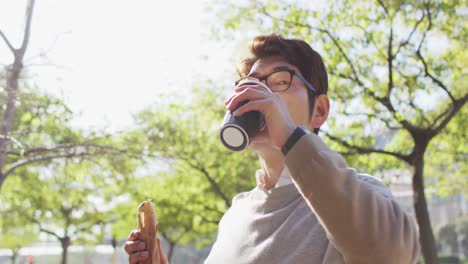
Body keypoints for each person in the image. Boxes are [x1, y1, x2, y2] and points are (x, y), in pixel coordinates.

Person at [124, 34, 420, 263]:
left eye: (280, 82)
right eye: (251, 83)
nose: (259, 93)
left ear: (319, 111)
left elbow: (393, 254)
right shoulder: (236, 214)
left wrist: (290, 137)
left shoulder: (356, 194)